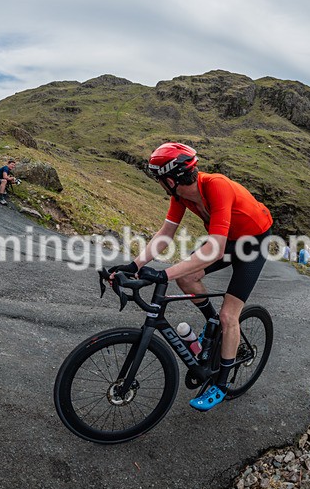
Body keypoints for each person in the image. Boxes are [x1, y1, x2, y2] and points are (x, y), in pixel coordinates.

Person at [108, 142, 273, 412]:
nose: (159, 184)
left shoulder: (216, 186)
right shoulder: (180, 196)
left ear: (170, 179)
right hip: (230, 239)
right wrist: (134, 265)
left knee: (229, 316)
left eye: (159, 179)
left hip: (254, 242)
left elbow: (215, 249)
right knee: (187, 278)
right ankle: (210, 323)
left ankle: (220, 384)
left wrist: (163, 274)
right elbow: (165, 235)